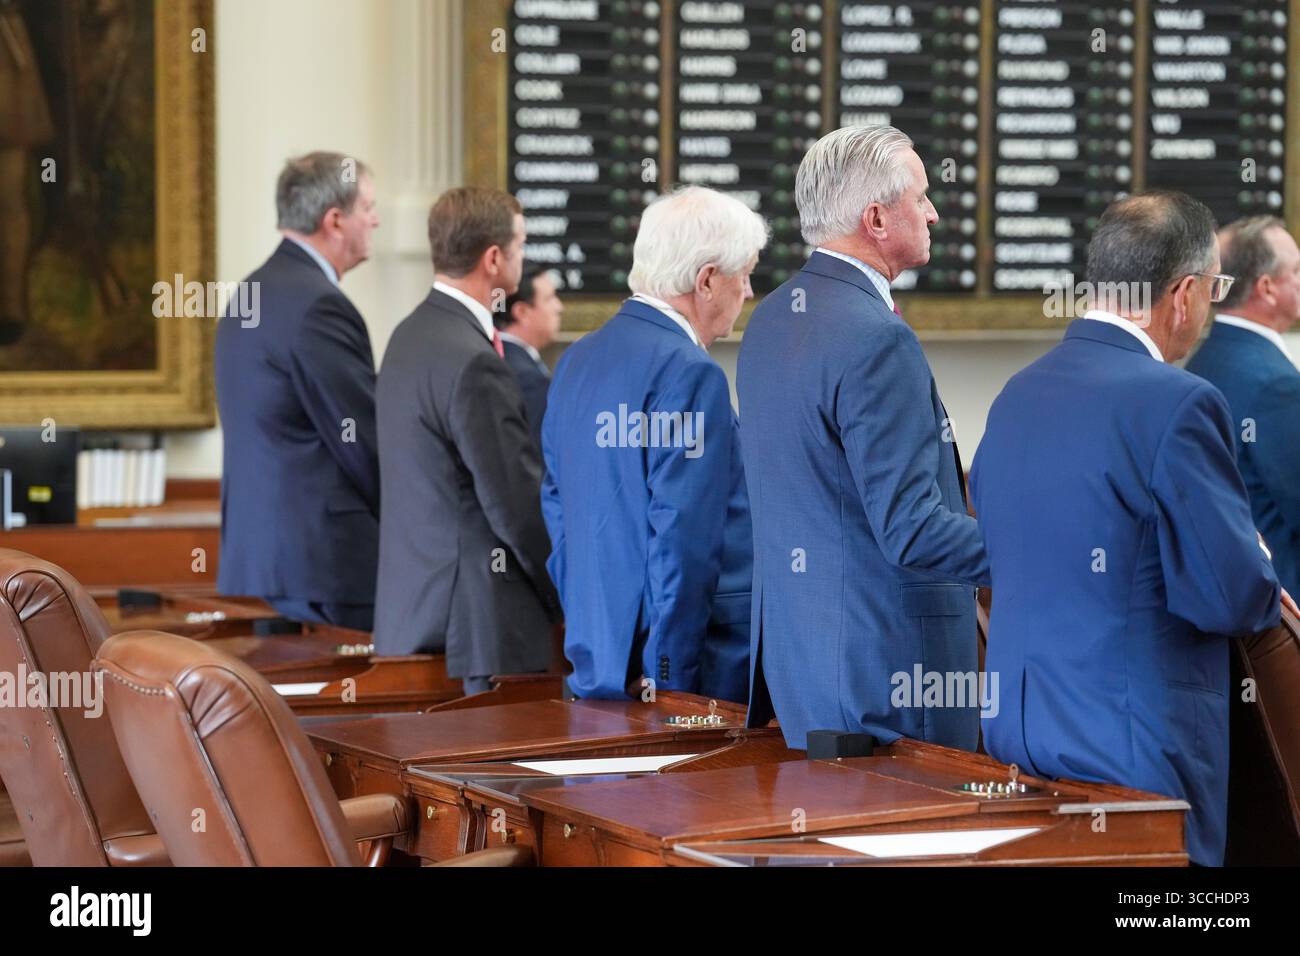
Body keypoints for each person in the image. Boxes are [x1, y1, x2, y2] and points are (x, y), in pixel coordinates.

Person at [971, 191, 1288, 866]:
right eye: (1212, 290)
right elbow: (1228, 596)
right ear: (1182, 293)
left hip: (1016, 738)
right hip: (1135, 755)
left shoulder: (1016, 395)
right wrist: (1256, 558)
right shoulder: (1178, 403)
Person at [738, 125, 989, 750]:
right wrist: (1047, 553)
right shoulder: (877, 337)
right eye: (922, 197)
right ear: (876, 218)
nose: (933, 212)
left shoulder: (771, 318)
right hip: (893, 687)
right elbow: (913, 529)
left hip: (805, 675)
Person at [542, 186, 766, 702]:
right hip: (681, 678)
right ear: (706, 280)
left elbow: (560, 515)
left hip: (595, 662)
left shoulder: (575, 362)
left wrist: (595, 634)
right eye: (745, 274)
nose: (749, 292)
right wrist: (669, 684)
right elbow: (681, 541)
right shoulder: (690, 373)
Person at [374, 187, 560, 694]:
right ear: (494, 258)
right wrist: (565, 594)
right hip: (480, 631)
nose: (522, 256)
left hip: (411, 616)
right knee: (499, 776)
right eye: (520, 245)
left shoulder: (406, 336)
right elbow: (516, 508)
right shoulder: (474, 359)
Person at [215, 152, 381, 630]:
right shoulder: (320, 306)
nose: (376, 219)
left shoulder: (250, 292)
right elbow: (360, 442)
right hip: (324, 565)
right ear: (335, 220)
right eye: (367, 206)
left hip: (264, 560)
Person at [1186, 216, 1300, 597]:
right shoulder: (1275, 384)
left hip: (1226, 602)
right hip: (1282, 608)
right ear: (1267, 288)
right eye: (1296, 270)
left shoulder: (1202, 359)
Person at [496, 266, 563, 450]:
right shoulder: (528, 379)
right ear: (522, 312)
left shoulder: (491, 355)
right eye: (549, 298)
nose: (559, 307)